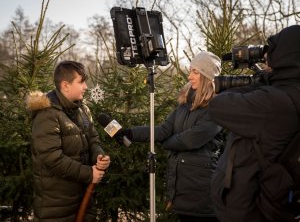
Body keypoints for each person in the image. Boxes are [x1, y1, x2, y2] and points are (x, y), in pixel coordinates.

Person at [207, 25, 300, 222]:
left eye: (272, 50)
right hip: (273, 200)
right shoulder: (291, 93)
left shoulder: (275, 102)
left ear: (285, 54)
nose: (267, 56)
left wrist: (258, 82)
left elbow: (217, 106)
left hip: (248, 208)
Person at [121, 51, 223, 222]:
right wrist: (130, 133)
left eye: (195, 72)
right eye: (190, 71)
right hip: (182, 190)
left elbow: (189, 140)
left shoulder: (216, 109)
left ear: (207, 77)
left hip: (202, 194)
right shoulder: (184, 106)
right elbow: (162, 130)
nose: (189, 76)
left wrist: (164, 143)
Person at [26, 60, 110, 221]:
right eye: (81, 82)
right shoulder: (47, 114)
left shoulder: (83, 109)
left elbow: (93, 139)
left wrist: (99, 156)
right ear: (65, 85)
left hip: (83, 198)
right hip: (57, 206)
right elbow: (52, 158)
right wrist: (89, 173)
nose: (86, 87)